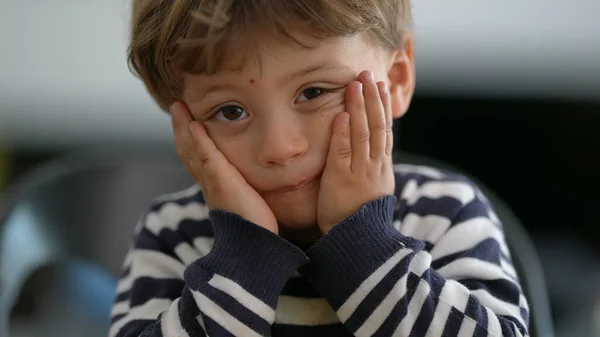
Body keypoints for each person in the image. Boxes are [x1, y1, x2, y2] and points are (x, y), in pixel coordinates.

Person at [109, 1, 530, 336]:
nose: (281, 148)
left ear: (398, 79)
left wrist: (363, 245)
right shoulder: (171, 233)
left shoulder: (445, 212)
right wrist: (245, 257)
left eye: (313, 91)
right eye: (230, 111)